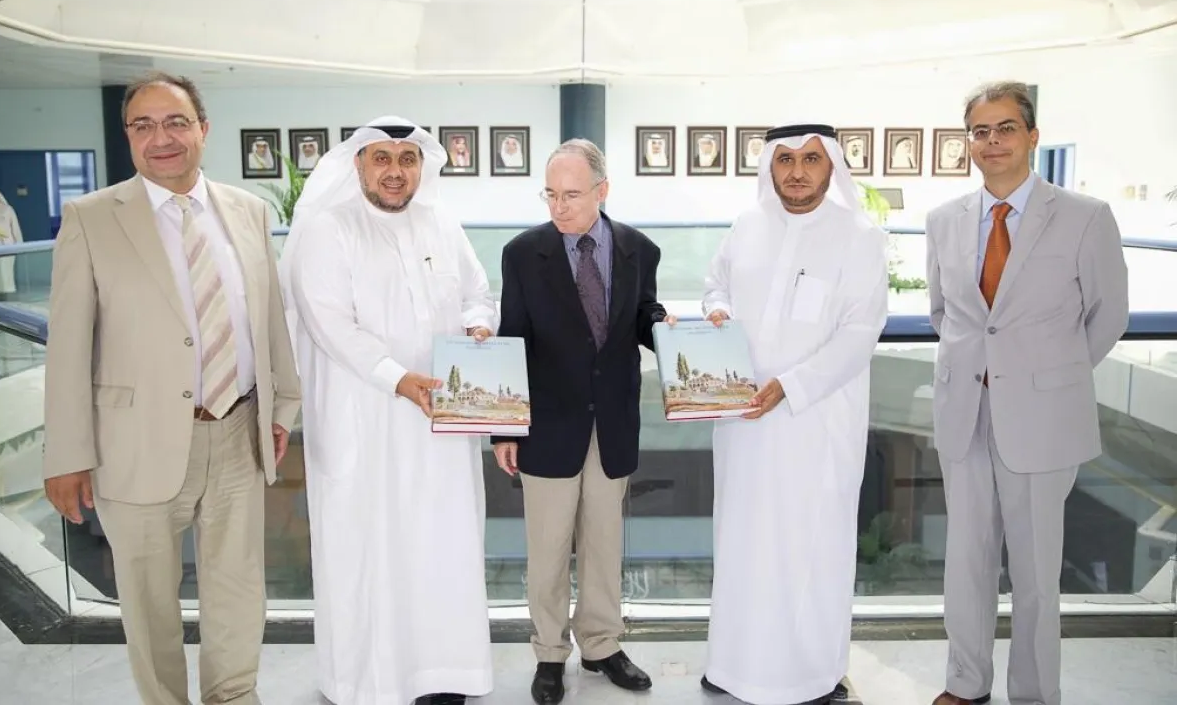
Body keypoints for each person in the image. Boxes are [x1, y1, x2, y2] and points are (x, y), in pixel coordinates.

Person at [42, 71, 302, 705]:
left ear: (203, 130)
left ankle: (233, 694)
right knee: (149, 599)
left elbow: (268, 319)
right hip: (133, 443)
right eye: (144, 125)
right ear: (128, 135)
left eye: (176, 122)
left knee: (238, 588)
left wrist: (282, 407)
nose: (161, 138)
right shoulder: (91, 218)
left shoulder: (248, 211)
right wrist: (66, 455)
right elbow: (68, 346)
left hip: (238, 431)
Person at [280, 116, 496, 705]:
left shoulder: (441, 223)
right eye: (382, 158)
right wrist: (398, 380)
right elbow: (329, 324)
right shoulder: (330, 228)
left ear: (422, 166)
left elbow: (477, 292)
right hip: (365, 420)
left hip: (442, 423)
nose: (395, 172)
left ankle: (446, 674)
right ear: (358, 165)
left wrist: (479, 325)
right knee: (371, 549)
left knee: (442, 544)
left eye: (407, 159)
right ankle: (371, 682)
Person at [925, 82, 1129, 705]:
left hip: (1043, 418)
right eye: (981, 131)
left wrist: (1047, 376)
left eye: (1006, 128)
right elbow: (943, 313)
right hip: (965, 412)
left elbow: (1109, 315)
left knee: (1037, 571)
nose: (993, 141)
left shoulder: (1086, 216)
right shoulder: (942, 221)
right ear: (969, 142)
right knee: (966, 562)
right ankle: (966, 683)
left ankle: (1036, 693)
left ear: (1032, 136)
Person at [699, 124, 889, 705]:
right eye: (785, 160)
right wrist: (718, 310)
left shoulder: (859, 237)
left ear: (831, 166)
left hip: (815, 425)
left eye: (810, 159)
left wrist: (791, 385)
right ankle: (733, 665)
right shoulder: (747, 225)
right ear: (770, 167)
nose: (797, 171)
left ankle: (808, 676)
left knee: (810, 548)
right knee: (742, 544)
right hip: (743, 425)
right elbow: (715, 285)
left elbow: (860, 334)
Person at [494, 138, 668, 705]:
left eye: (571, 194)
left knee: (603, 544)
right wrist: (505, 428)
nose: (558, 206)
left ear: (602, 190)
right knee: (547, 549)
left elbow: (641, 317)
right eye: (550, 194)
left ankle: (601, 646)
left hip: (612, 421)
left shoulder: (640, 249)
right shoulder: (522, 254)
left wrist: (669, 329)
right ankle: (549, 653)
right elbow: (512, 340)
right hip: (547, 424)